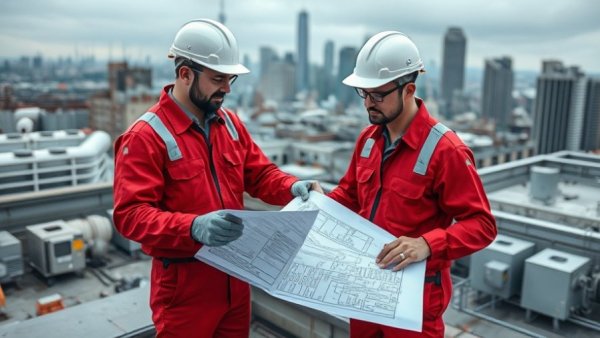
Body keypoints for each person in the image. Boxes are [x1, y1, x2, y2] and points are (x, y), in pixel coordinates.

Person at [112, 19, 322, 337]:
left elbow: (259, 174)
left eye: (230, 79)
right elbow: (130, 216)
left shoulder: (230, 124)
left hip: (235, 278)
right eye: (218, 78)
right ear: (185, 74)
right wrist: (193, 227)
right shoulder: (145, 137)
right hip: (185, 287)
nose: (226, 88)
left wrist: (291, 186)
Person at [327, 31, 497, 337]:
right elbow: (350, 195)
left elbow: (482, 225)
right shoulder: (368, 140)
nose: (368, 103)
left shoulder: (447, 151)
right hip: (365, 289)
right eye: (363, 93)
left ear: (409, 90)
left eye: (377, 95)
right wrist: (317, 204)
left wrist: (427, 244)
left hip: (416, 297)